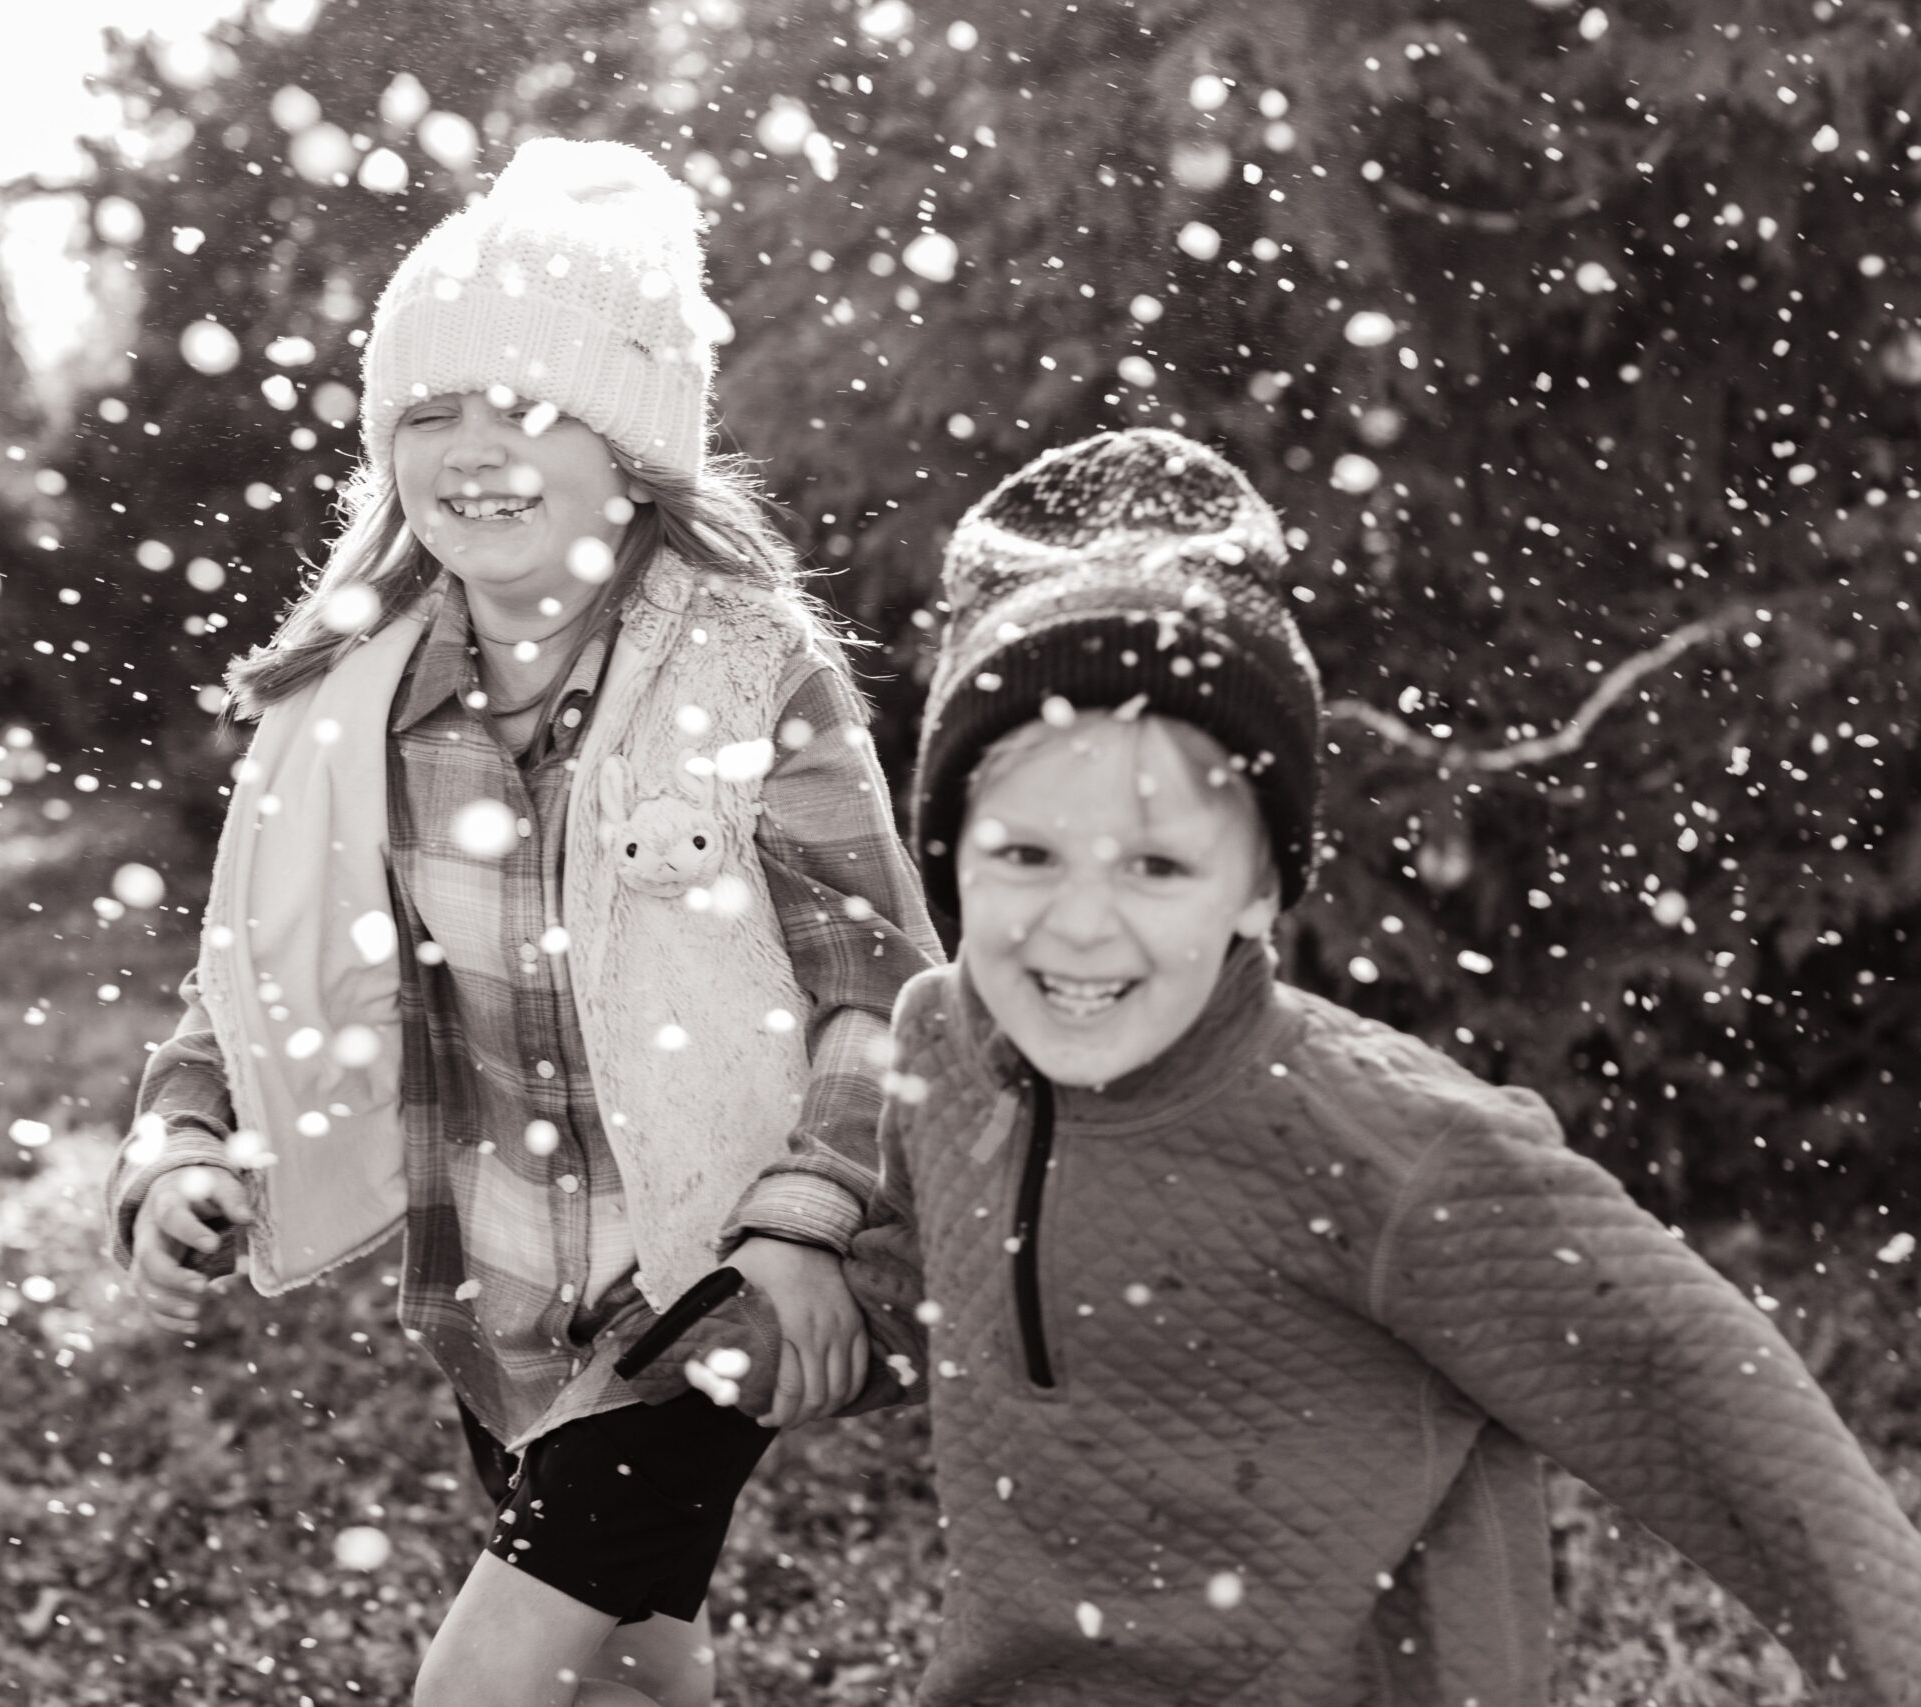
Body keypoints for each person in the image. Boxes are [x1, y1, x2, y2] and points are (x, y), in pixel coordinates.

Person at [652, 428, 1921, 1703]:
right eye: (1025, 856)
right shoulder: (943, 1041)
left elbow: (1699, 1394)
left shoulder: (1389, 1149)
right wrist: (764, 1340)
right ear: (953, 854)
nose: (1079, 922)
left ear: (1260, 884)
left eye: (1154, 865)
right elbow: (947, 1289)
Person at [105, 136, 940, 1707]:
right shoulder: (357, 700)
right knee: (632, 1665)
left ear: (635, 447)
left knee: (483, 1681)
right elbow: (254, 967)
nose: (475, 450)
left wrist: (806, 1223)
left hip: (708, 1286)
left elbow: (881, 987)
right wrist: (185, 1138)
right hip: (496, 1298)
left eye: (534, 407)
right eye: (430, 411)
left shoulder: (748, 669)